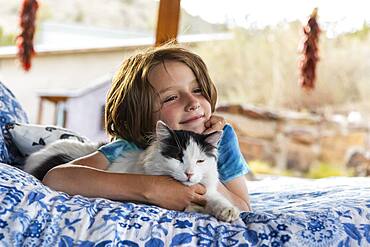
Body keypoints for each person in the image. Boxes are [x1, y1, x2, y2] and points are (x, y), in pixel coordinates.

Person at [43, 44, 252, 211]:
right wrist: (150, 188)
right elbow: (57, 178)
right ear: (140, 114)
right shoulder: (129, 147)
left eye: (197, 90)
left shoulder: (222, 138)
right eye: (171, 98)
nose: (193, 102)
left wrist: (208, 168)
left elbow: (242, 207)